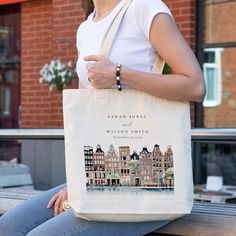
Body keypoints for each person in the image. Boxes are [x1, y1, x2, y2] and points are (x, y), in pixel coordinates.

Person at [0, 0, 206, 235]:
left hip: (148, 180)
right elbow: (87, 120)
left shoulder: (144, 8)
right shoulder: (86, 27)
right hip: (103, 173)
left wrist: (118, 74)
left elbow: (195, 85)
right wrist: (78, 181)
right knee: (9, 225)